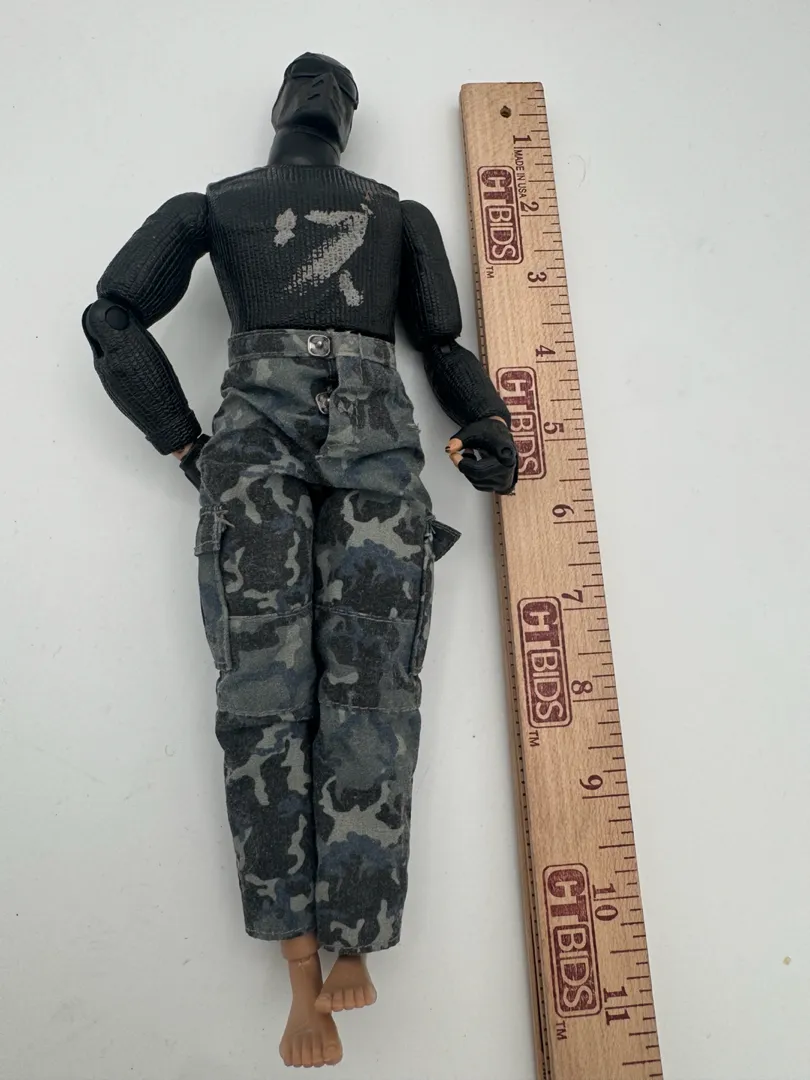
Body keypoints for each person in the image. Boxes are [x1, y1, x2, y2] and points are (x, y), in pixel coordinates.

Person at [82, 52, 518, 1069]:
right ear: (281, 103)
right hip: (260, 437)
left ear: (345, 117)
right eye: (308, 81)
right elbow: (111, 315)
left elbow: (441, 341)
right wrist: (182, 440)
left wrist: (489, 419)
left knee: (376, 684)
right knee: (261, 693)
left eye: (338, 87)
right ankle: (299, 972)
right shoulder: (214, 206)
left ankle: (353, 940)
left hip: (374, 440)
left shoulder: (399, 214)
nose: (322, 93)